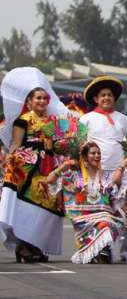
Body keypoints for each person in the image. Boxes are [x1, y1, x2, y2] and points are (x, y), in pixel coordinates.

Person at [0, 85, 67, 262]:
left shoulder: (54, 121)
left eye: (45, 98)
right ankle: (23, 246)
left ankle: (36, 243)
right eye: (38, 98)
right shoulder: (23, 120)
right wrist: (9, 163)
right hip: (28, 167)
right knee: (28, 204)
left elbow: (58, 145)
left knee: (47, 203)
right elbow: (15, 144)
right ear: (29, 102)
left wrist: (64, 145)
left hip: (49, 166)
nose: (42, 101)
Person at [47, 142, 126, 264]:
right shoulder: (75, 175)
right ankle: (100, 250)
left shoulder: (105, 176)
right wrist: (66, 165)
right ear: (84, 157)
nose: (97, 156)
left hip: (104, 217)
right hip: (82, 219)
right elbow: (50, 180)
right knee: (105, 222)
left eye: (98, 153)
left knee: (108, 222)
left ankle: (102, 249)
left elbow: (114, 198)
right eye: (93, 153)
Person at [80, 76, 127, 180]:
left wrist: (126, 164)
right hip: (94, 172)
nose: (107, 98)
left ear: (114, 99)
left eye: (109, 95)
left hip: (119, 173)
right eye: (103, 95)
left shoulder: (124, 119)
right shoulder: (85, 119)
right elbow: (79, 147)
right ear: (96, 99)